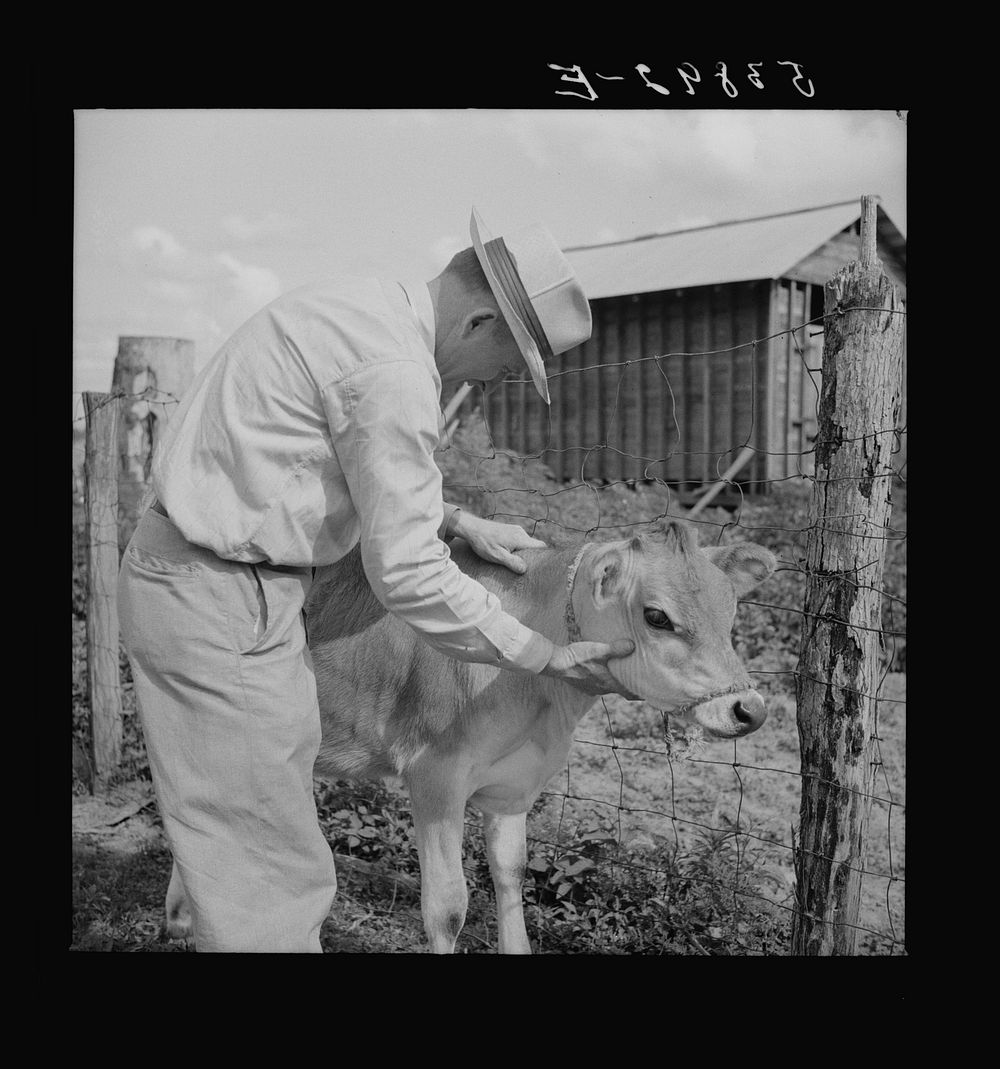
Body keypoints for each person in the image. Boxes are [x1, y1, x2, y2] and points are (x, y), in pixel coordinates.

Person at [118, 208, 636, 952]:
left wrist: (458, 521)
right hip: (219, 593)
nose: (495, 383)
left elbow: (318, 463)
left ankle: (197, 920)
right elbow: (409, 573)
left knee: (267, 816)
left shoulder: (355, 307)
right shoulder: (395, 374)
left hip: (221, 580)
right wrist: (540, 652)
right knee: (270, 869)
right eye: (505, 363)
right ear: (480, 320)